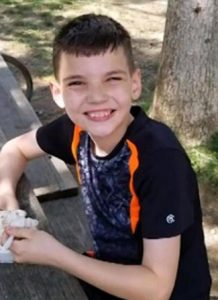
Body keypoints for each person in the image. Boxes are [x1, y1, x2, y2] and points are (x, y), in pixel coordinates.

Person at [0, 13, 211, 300]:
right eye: (77, 83)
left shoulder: (161, 161)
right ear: (58, 93)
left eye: (112, 79)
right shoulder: (77, 129)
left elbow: (157, 288)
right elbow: (15, 149)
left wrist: (56, 254)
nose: (96, 97)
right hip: (108, 274)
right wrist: (7, 197)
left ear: (134, 84)